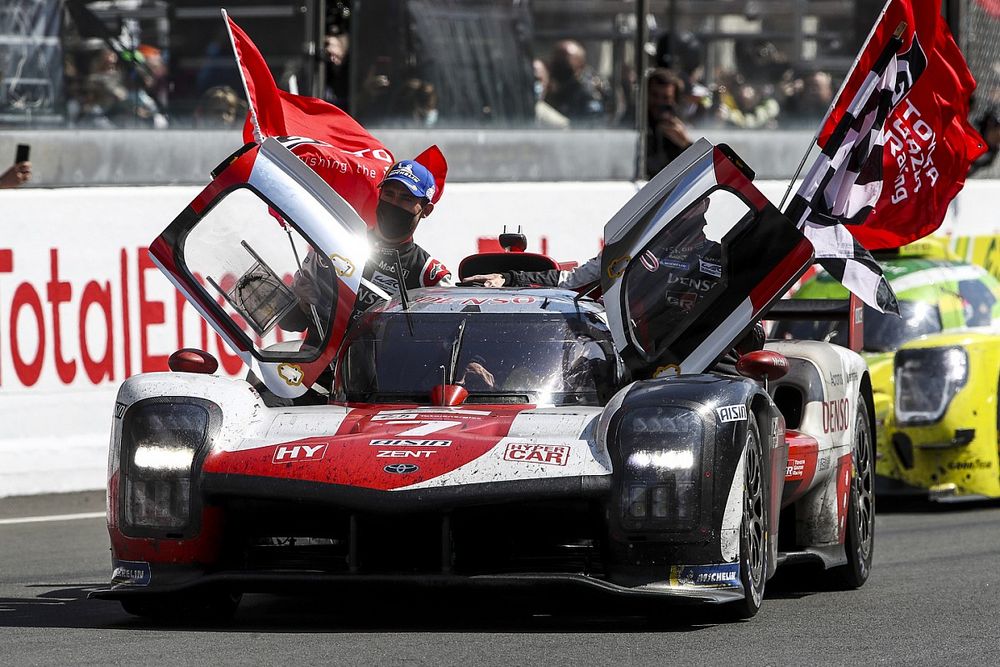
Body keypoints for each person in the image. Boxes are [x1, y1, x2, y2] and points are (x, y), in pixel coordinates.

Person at [645, 68, 694, 179]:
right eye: (654, 95)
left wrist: (685, 144)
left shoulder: (679, 127)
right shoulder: (638, 124)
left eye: (665, 98)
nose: (659, 102)